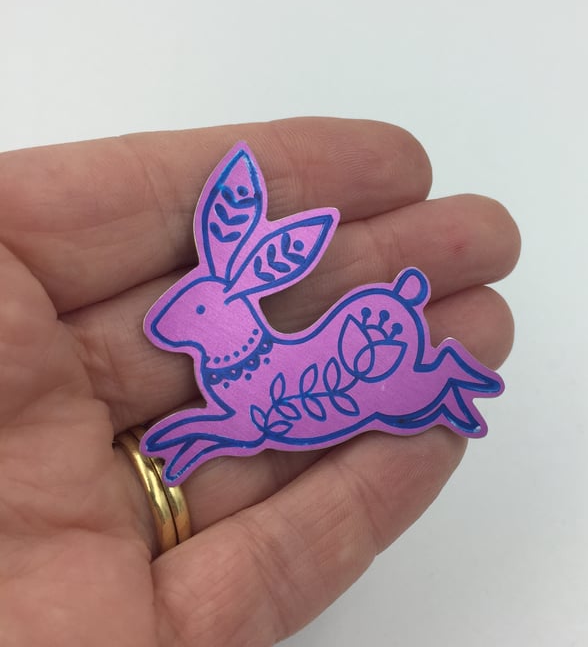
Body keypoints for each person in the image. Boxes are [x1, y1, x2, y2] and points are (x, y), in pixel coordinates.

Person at [0, 118, 520, 646]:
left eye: (197, 310)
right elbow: (242, 425)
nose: (169, 323)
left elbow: (249, 429)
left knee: (378, 399)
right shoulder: (229, 374)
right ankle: (441, 380)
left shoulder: (249, 373)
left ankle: (446, 376)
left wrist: (190, 437)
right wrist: (189, 436)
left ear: (226, 310)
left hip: (366, 341)